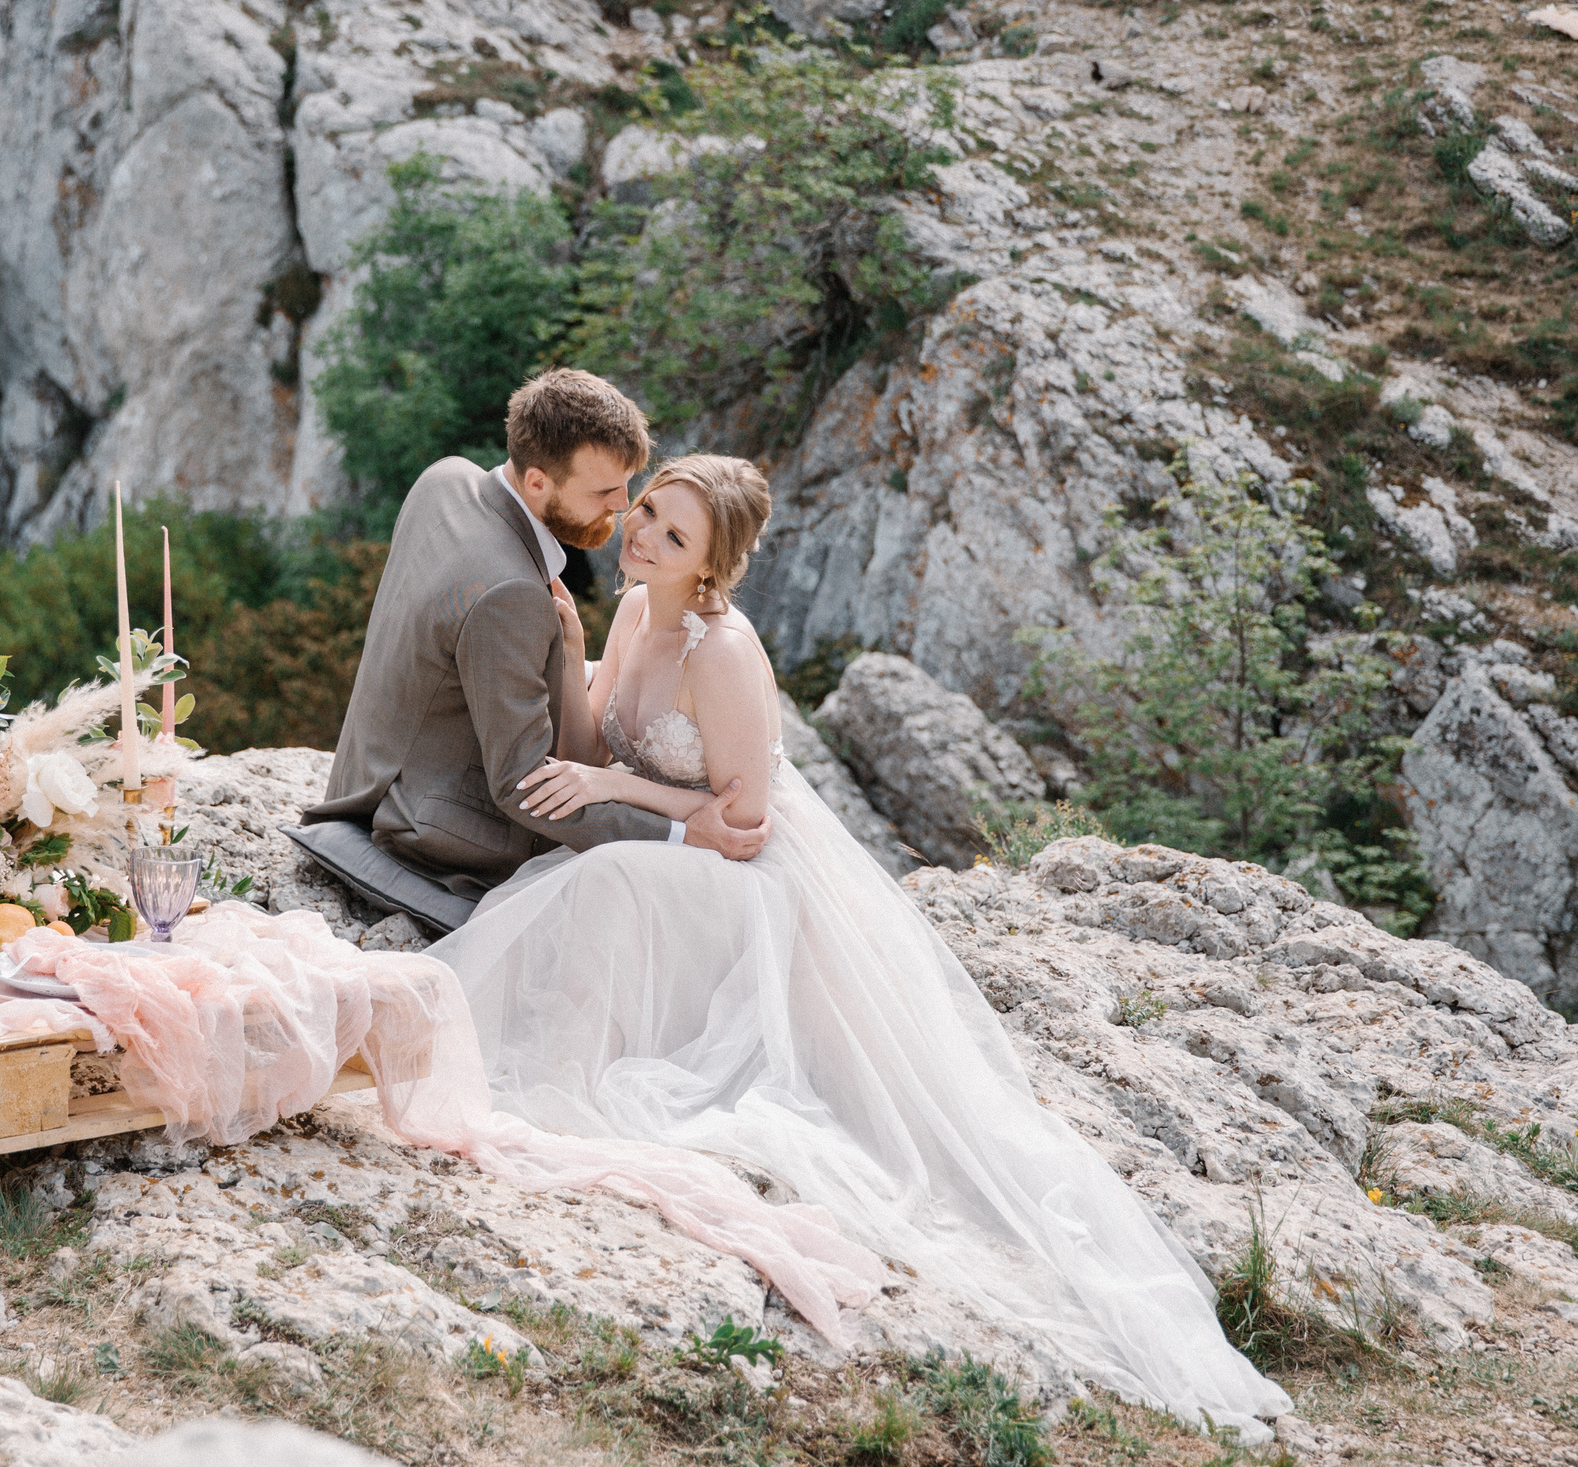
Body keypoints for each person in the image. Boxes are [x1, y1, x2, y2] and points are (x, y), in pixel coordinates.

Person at [426, 453, 1294, 1439]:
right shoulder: (631, 608)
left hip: (753, 880)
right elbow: (594, 739)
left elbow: (740, 814)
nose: (644, 534)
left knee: (607, 879)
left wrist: (616, 789)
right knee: (586, 878)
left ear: (710, 566)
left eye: (674, 534)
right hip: (690, 847)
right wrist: (570, 648)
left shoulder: (722, 651)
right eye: (649, 510)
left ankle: (567, 1064)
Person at [305, 369, 767, 900]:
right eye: (607, 492)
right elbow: (521, 785)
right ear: (538, 483)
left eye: (630, 485)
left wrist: (570, 660)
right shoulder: (514, 593)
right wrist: (678, 835)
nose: (623, 506)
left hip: (365, 778)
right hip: (429, 831)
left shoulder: (445, 478)